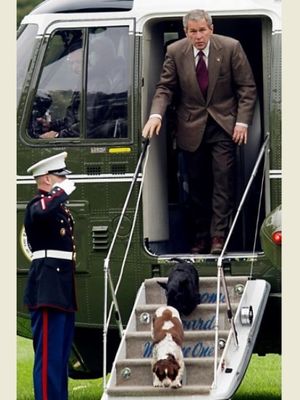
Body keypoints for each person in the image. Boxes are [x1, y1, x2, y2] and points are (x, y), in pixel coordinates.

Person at [142, 9, 257, 254]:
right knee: (196, 187)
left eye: (202, 30)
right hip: (191, 127)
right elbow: (165, 88)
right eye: (193, 32)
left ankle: (218, 237)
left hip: (224, 126)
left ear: (211, 29)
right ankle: (201, 236)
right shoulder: (175, 52)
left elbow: (247, 88)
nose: (198, 36)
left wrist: (242, 122)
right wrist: (155, 114)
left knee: (223, 182)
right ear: (186, 32)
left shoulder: (231, 47)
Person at [23, 152, 77, 399]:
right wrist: (61, 192)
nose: (63, 181)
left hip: (61, 287)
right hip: (47, 286)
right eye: (59, 176)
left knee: (60, 355)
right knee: (48, 357)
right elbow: (41, 212)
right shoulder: (38, 204)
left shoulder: (57, 208)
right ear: (46, 179)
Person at [36, 40, 82, 139]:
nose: (74, 67)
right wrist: (51, 125)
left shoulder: (93, 85)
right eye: (72, 63)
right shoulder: (81, 83)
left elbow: (87, 125)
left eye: (78, 62)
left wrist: (58, 135)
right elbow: (71, 121)